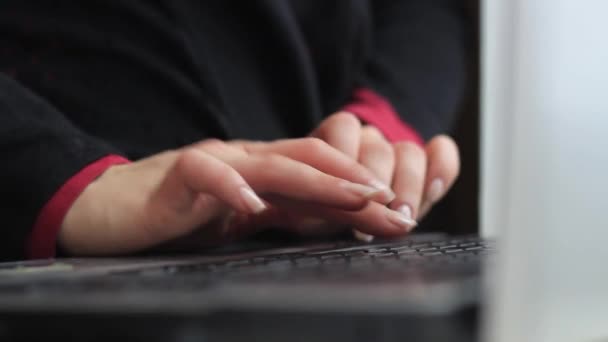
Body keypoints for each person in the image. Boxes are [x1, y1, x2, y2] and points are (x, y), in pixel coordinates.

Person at [0, 1, 470, 261]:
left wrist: (373, 129)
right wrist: (57, 176)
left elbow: (424, 12)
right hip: (56, 235)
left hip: (320, 237)